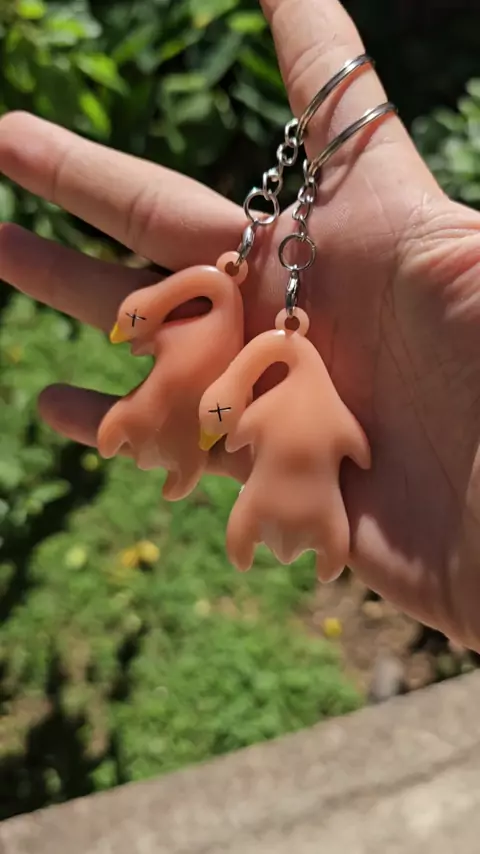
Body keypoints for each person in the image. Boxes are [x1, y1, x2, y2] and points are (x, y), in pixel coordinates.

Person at [1, 0, 479, 650]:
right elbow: (343, 444)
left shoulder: (266, 398)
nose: (222, 425)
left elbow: (316, 437)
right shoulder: (252, 382)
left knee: (243, 491)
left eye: (223, 415)